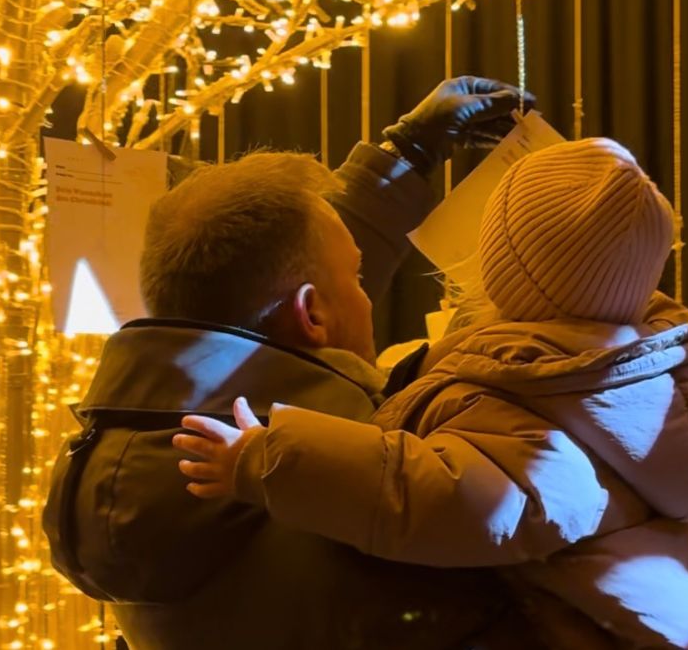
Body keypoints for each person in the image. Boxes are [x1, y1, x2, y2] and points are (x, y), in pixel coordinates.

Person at [176, 138, 688, 649]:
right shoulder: (623, 369)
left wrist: (269, 459)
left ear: (505, 267)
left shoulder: (542, 406)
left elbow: (440, 496)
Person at [43, 77, 544, 650]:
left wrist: (406, 157)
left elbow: (279, 281)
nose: (364, 291)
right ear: (310, 313)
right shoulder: (361, 477)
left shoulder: (125, 446)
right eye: (356, 278)